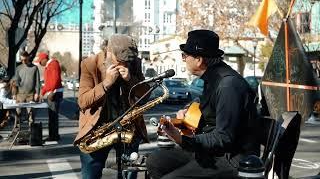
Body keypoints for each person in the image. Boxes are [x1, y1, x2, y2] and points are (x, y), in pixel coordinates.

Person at [146, 29, 261, 178]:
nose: (184, 59)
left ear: (199, 60)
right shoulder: (214, 78)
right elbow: (206, 103)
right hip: (212, 151)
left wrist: (183, 139)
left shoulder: (228, 86)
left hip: (231, 158)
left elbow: (224, 137)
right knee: (155, 161)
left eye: (185, 55)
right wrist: (187, 111)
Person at [74, 34, 150, 179]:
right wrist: (106, 83)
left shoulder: (134, 63)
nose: (125, 65)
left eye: (128, 61)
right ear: (108, 52)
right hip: (97, 129)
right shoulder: (89, 64)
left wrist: (130, 80)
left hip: (128, 127)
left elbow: (145, 96)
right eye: (120, 61)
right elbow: (83, 102)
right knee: (91, 174)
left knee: (130, 174)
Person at [35, 52, 63, 141]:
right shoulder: (49, 65)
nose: (40, 64)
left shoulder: (53, 64)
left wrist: (51, 92)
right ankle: (54, 135)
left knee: (53, 116)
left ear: (44, 59)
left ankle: (53, 136)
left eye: (40, 61)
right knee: (52, 116)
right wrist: (42, 93)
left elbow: (55, 79)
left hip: (54, 93)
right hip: (52, 92)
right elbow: (48, 83)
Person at [12, 51, 41, 128]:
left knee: (31, 115)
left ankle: (31, 131)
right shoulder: (18, 68)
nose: (23, 62)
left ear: (28, 57)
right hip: (20, 95)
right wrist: (14, 93)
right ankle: (17, 130)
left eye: (25, 60)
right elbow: (15, 82)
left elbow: (38, 82)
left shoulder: (34, 68)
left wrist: (37, 93)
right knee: (18, 114)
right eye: (22, 60)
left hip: (30, 95)